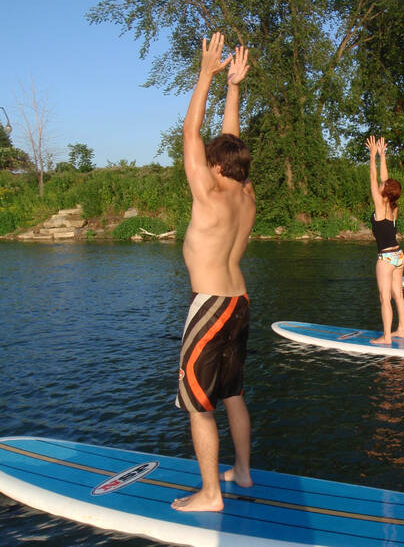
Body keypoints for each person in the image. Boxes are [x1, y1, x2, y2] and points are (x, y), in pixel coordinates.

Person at [172, 32, 256, 512]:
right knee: (232, 393)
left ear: (214, 165)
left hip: (208, 306)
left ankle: (210, 494)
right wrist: (235, 88)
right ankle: (241, 472)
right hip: (239, 303)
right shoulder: (245, 197)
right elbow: (231, 141)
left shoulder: (208, 192)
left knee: (197, 404)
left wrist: (207, 74)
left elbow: (192, 131)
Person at [366, 135, 404, 344]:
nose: (382, 185)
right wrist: (384, 155)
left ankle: (387, 337)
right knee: (398, 295)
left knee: (385, 298)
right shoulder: (392, 205)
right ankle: (401, 330)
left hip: (386, 258)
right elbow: (385, 180)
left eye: (385, 185)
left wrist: (372, 156)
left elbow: (374, 180)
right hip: (399, 255)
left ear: (385, 191)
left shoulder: (380, 205)